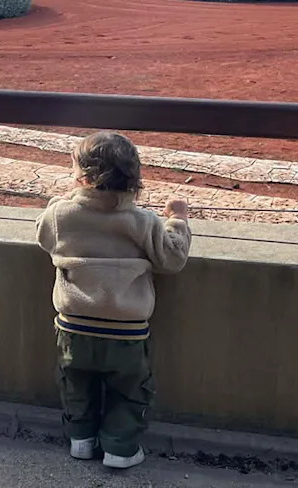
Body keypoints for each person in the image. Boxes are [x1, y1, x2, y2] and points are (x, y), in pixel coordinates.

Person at [36, 131, 192, 470]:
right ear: (135, 180)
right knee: (128, 392)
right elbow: (172, 259)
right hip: (126, 332)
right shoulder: (144, 222)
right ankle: (120, 449)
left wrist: (58, 203)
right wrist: (177, 219)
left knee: (75, 384)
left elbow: (44, 234)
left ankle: (80, 439)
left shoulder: (63, 215)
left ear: (82, 177)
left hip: (74, 325)